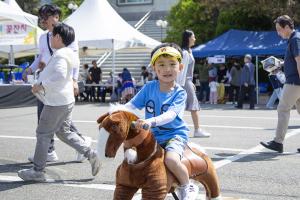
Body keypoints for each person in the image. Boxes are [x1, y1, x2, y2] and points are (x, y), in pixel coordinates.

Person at [18, 23, 100, 181]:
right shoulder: (68, 53)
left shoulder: (60, 55)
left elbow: (60, 76)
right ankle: (91, 154)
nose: (50, 39)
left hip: (56, 103)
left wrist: (41, 85)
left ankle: (37, 171)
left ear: (57, 37)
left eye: (52, 36)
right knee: (64, 132)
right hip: (65, 100)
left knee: (43, 133)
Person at [125, 43, 198, 200]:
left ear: (180, 67)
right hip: (152, 135)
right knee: (130, 152)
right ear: (154, 67)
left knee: (171, 160)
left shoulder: (180, 92)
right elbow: (131, 105)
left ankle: (187, 185)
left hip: (174, 135)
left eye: (172, 64)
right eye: (162, 65)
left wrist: (149, 122)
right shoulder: (149, 87)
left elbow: (170, 115)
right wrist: (117, 114)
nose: (167, 69)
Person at [22, 4, 91, 163]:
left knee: (58, 119)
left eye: (46, 15)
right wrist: (29, 70)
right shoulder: (42, 37)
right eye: (41, 16)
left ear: (56, 17)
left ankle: (80, 142)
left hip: (60, 82)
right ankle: (50, 151)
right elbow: (40, 58)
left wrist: (74, 80)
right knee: (46, 117)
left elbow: (75, 59)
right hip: (45, 81)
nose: (43, 19)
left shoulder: (67, 34)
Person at [260, 15, 300, 153]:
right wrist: (280, 64)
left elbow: (299, 61)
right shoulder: (294, 39)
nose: (278, 33)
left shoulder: (295, 39)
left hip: (295, 82)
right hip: (296, 81)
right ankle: (278, 142)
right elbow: (295, 61)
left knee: (282, 109)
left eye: (279, 29)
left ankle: (278, 142)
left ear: (287, 27)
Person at [176, 30, 210, 138]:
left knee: (185, 106)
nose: (195, 39)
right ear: (189, 38)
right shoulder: (185, 53)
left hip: (187, 82)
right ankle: (197, 130)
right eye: (193, 37)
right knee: (193, 106)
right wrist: (182, 84)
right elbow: (182, 70)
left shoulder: (189, 51)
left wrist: (190, 82)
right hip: (184, 82)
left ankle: (195, 129)